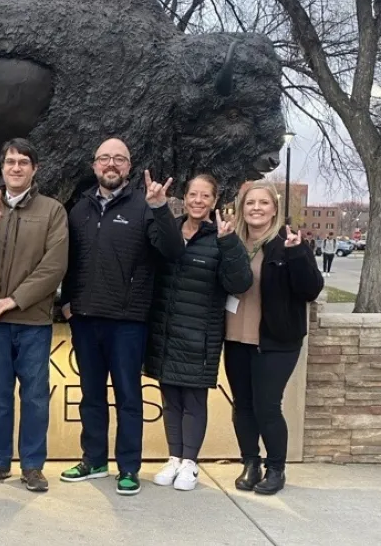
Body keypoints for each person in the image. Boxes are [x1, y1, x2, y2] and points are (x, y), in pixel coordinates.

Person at [59, 138, 185, 496]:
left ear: (129, 167)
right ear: (94, 165)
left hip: (128, 321)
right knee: (90, 395)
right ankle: (94, 460)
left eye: (119, 159)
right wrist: (67, 301)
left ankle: (128, 467)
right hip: (85, 318)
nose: (111, 164)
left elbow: (173, 251)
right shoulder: (79, 210)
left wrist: (161, 208)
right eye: (104, 159)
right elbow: (69, 261)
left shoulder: (146, 206)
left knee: (129, 397)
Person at [0, 138, 68, 493]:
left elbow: (54, 266)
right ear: (2, 168)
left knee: (35, 397)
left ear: (34, 169)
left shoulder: (53, 211)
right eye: (10, 162)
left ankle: (33, 466)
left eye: (23, 161)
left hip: (32, 320)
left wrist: (17, 299)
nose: (16, 167)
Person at [144, 174, 253, 491]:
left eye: (205, 196)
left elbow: (240, 283)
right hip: (166, 329)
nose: (198, 200)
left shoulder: (221, 237)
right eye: (193, 194)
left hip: (200, 333)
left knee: (193, 399)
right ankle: (174, 458)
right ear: (185, 196)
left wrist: (228, 242)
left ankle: (190, 462)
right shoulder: (171, 229)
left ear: (215, 201)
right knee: (171, 400)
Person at [224, 181, 323, 495]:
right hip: (237, 337)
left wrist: (297, 254)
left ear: (275, 209)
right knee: (243, 406)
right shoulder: (233, 241)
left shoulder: (288, 243)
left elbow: (310, 289)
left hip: (276, 340)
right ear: (242, 208)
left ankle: (276, 468)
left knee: (267, 405)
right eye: (250, 203)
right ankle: (251, 463)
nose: (256, 208)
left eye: (263, 203)